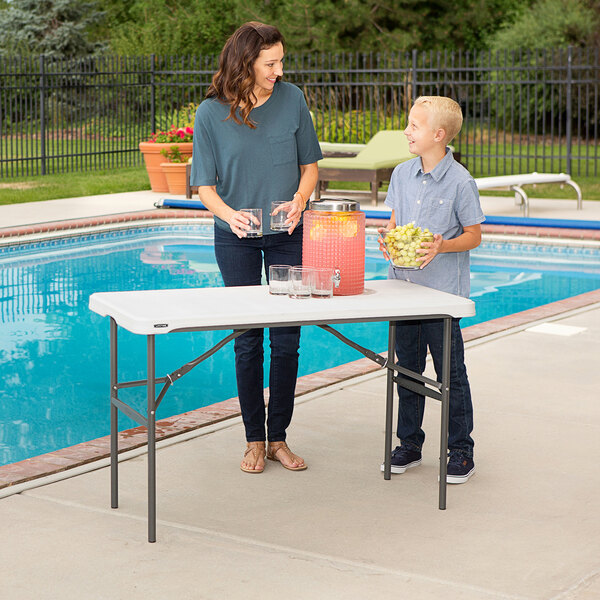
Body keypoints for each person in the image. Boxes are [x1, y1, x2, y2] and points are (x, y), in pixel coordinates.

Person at [190, 22, 322, 474]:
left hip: (288, 234)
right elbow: (204, 187)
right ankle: (253, 439)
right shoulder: (210, 113)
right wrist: (229, 215)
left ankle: (278, 438)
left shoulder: (293, 100)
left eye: (281, 61)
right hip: (235, 238)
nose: (279, 70)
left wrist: (301, 200)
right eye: (271, 63)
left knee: (287, 340)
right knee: (248, 340)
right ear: (245, 63)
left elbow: (310, 167)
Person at [379, 96, 484, 483]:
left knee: (450, 375)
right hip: (404, 290)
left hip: (442, 297)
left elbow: (473, 235)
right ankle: (410, 443)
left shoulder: (461, 181)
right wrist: (388, 240)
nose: (407, 131)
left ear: (438, 135)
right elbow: (394, 224)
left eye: (414, 126)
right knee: (406, 371)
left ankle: (461, 450)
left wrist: (442, 245)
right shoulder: (401, 175)